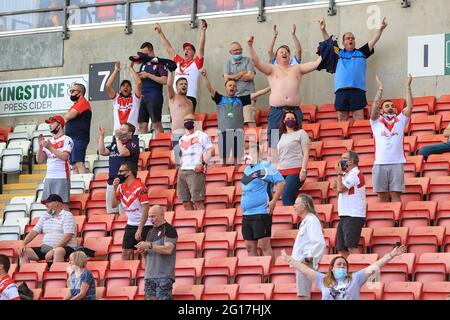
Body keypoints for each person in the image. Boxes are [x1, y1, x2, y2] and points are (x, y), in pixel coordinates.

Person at [247, 35, 322, 154]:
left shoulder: (297, 68)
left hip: (294, 111)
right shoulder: (271, 69)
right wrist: (250, 46)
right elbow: (256, 62)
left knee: (295, 141)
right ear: (276, 56)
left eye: (287, 51)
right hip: (277, 111)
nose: (284, 53)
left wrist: (328, 44)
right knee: (274, 143)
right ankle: (276, 168)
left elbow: (317, 63)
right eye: (281, 51)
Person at [319, 17, 388, 121]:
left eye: (352, 38)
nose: (351, 39)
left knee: (359, 117)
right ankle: (345, 138)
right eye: (348, 38)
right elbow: (328, 44)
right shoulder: (339, 53)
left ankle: (360, 137)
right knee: (342, 118)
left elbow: (374, 41)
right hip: (341, 91)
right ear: (343, 42)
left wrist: (381, 29)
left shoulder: (361, 52)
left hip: (358, 90)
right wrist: (323, 29)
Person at [282, 244, 407, 300]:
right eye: (339, 265)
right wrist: (289, 259)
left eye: (344, 265)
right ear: (332, 268)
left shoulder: (356, 278)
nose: (342, 267)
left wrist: (391, 255)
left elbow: (374, 266)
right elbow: (304, 269)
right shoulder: (322, 279)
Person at [201, 70, 270, 165]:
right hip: (224, 133)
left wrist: (270, 88)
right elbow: (209, 88)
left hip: (238, 133)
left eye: (234, 86)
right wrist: (204, 76)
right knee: (223, 161)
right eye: (230, 85)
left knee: (238, 161)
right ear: (225, 88)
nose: (232, 87)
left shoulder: (241, 99)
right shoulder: (220, 99)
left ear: (236, 89)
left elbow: (257, 94)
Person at [371, 74, 412, 202]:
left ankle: (397, 221)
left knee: (396, 195)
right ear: (381, 110)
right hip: (379, 163)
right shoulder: (376, 122)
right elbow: (374, 108)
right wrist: (380, 89)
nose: (390, 107)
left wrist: (407, 87)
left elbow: (409, 107)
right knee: (382, 196)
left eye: (392, 106)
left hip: (397, 162)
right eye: (387, 106)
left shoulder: (400, 120)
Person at [154, 19, 207, 110]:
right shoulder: (178, 61)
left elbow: (201, 47)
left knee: (187, 122)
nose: (186, 50)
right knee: (175, 120)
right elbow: (168, 48)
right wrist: (160, 32)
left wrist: (203, 31)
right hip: (175, 96)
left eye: (189, 49)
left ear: (194, 53)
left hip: (189, 97)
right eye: (185, 49)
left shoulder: (196, 63)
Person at [240, 154, 285, 258]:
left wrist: (274, 201)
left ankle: (269, 273)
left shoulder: (265, 166)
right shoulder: (247, 169)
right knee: (249, 247)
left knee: (264, 245)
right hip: (246, 214)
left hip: (261, 212)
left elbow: (281, 182)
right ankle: (254, 272)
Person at [19, 194, 76, 265]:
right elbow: (34, 231)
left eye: (48, 202)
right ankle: (25, 275)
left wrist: (53, 250)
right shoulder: (45, 216)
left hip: (65, 248)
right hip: (46, 248)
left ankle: (56, 275)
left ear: (56, 203)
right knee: (24, 252)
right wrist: (23, 244)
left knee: (58, 251)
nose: (46, 205)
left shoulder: (67, 215)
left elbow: (67, 236)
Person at [111, 161, 152, 260]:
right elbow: (113, 205)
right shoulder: (121, 187)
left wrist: (140, 229)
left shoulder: (140, 187)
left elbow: (146, 208)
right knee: (125, 252)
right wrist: (115, 188)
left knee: (144, 252)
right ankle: (124, 274)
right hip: (131, 224)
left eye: (121, 171)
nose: (119, 174)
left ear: (129, 172)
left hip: (145, 224)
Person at [135, 205, 178, 300]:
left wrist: (149, 245)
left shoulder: (169, 229)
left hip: (163, 276)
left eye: (154, 216)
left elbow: (168, 249)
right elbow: (148, 257)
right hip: (149, 276)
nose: (151, 219)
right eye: (150, 216)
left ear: (162, 215)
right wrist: (143, 252)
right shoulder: (150, 232)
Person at [98, 122, 140, 215]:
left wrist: (117, 138)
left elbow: (123, 152)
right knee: (112, 213)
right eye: (120, 129)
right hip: (112, 182)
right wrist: (101, 136)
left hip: (125, 182)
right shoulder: (115, 143)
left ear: (130, 133)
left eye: (123, 130)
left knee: (124, 213)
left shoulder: (133, 143)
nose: (120, 131)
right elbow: (102, 151)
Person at [176, 114, 215, 210]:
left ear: (195, 122)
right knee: (185, 201)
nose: (188, 122)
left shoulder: (202, 135)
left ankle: (200, 222)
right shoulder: (182, 139)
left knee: (198, 201)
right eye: (186, 120)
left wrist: (202, 163)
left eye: (190, 120)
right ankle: (191, 222)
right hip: (183, 171)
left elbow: (211, 151)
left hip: (195, 171)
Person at [291, 194, 326, 300]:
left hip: (305, 263)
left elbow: (319, 242)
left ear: (304, 205)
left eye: (296, 204)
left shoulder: (311, 220)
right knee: (302, 295)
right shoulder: (308, 220)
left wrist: (307, 259)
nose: (294, 206)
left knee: (303, 296)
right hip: (302, 263)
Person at [332, 151, 366, 258]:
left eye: (343, 158)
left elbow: (341, 189)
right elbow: (335, 187)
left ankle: (359, 269)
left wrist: (339, 174)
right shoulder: (346, 174)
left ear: (350, 161)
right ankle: (349, 271)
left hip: (353, 214)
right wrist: (340, 175)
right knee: (342, 248)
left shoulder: (355, 173)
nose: (340, 161)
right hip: (345, 214)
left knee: (352, 246)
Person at [36, 115, 73, 206]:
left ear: (59, 125)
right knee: (49, 206)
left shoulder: (67, 139)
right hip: (49, 177)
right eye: (49, 123)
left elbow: (65, 156)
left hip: (62, 176)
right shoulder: (49, 140)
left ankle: (66, 221)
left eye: (52, 123)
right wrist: (40, 146)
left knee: (62, 206)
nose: (50, 125)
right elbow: (39, 160)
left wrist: (50, 147)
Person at [277, 111, 310, 205]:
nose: (290, 120)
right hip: (282, 171)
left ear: (296, 120)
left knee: (286, 197)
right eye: (288, 118)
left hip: (296, 170)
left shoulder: (301, 133)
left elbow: (306, 152)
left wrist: (303, 170)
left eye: (292, 118)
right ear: (283, 121)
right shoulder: (282, 135)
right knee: (285, 197)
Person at [137, 42, 168, 134]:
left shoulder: (159, 63)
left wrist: (148, 75)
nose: (143, 56)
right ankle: (144, 147)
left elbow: (164, 80)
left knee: (156, 124)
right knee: (142, 125)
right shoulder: (143, 64)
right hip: (143, 97)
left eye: (145, 54)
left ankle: (161, 146)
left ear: (151, 51)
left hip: (154, 96)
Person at [223, 41, 257, 128]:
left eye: (240, 49)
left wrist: (232, 77)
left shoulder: (248, 60)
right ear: (230, 52)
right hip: (235, 97)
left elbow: (250, 76)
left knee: (249, 120)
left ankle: (255, 140)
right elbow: (226, 79)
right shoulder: (227, 63)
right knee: (236, 122)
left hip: (248, 96)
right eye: (235, 50)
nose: (238, 51)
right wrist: (241, 73)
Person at [167, 69, 194, 166]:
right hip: (177, 133)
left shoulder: (190, 102)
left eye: (185, 84)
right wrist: (171, 71)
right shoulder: (173, 96)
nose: (184, 85)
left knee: (190, 161)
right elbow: (168, 85)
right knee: (178, 162)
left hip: (189, 134)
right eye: (181, 84)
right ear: (177, 87)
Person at [105, 61, 142, 134]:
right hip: (118, 135)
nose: (126, 87)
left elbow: (139, 84)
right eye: (123, 85)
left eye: (128, 85)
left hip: (132, 135)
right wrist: (116, 70)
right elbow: (108, 85)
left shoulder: (135, 98)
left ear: (131, 89)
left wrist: (131, 68)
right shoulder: (116, 98)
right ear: (120, 89)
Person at [64, 82, 92, 174]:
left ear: (79, 92)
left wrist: (66, 117)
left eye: (72, 91)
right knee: (74, 165)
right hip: (72, 139)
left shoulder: (83, 102)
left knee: (79, 163)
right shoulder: (75, 105)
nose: (71, 93)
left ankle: (83, 185)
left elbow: (68, 116)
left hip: (79, 138)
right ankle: (76, 186)